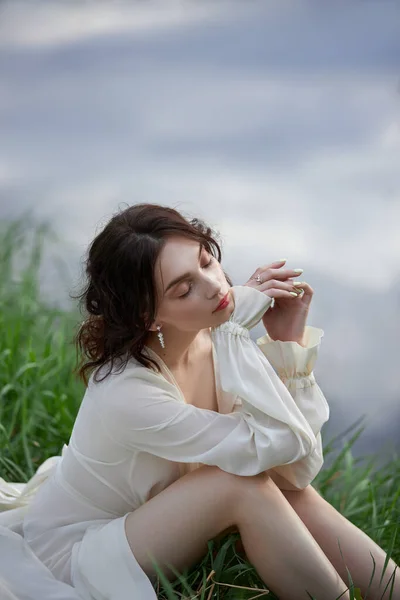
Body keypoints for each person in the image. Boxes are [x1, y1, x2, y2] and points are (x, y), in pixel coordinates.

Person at [14, 203, 398, 600]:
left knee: (282, 488)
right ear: (147, 317)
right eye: (184, 289)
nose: (216, 286)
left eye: (206, 261)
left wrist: (287, 345)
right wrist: (235, 327)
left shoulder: (212, 338)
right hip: (78, 551)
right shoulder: (126, 393)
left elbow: (292, 471)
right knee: (239, 484)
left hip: (153, 521)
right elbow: (274, 446)